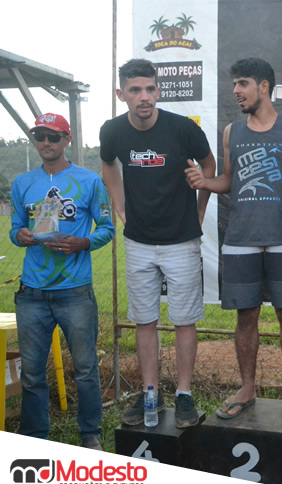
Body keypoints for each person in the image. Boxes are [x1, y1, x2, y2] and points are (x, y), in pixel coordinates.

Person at [185, 58, 282, 422]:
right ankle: (247, 388)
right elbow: (230, 180)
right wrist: (205, 182)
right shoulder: (232, 132)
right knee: (246, 318)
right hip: (241, 239)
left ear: (263, 87)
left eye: (242, 83)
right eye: (234, 84)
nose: (236, 91)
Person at [100, 59, 217, 429]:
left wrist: (200, 209)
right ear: (121, 94)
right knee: (144, 320)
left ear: (159, 90)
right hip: (138, 241)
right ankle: (150, 392)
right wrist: (120, 207)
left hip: (181, 240)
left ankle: (184, 394)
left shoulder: (183, 129)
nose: (144, 97)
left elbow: (209, 166)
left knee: (184, 320)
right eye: (135, 90)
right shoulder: (112, 131)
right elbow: (108, 165)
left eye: (150, 89)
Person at [10, 113, 114, 450]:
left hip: (74, 291)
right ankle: (35, 439)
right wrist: (20, 235)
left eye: (53, 136)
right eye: (39, 136)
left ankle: (90, 434)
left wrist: (84, 243)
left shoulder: (89, 181)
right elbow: (14, 228)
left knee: (85, 369)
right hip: (32, 292)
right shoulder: (23, 183)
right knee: (31, 372)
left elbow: (107, 228)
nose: (45, 143)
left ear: (67, 140)